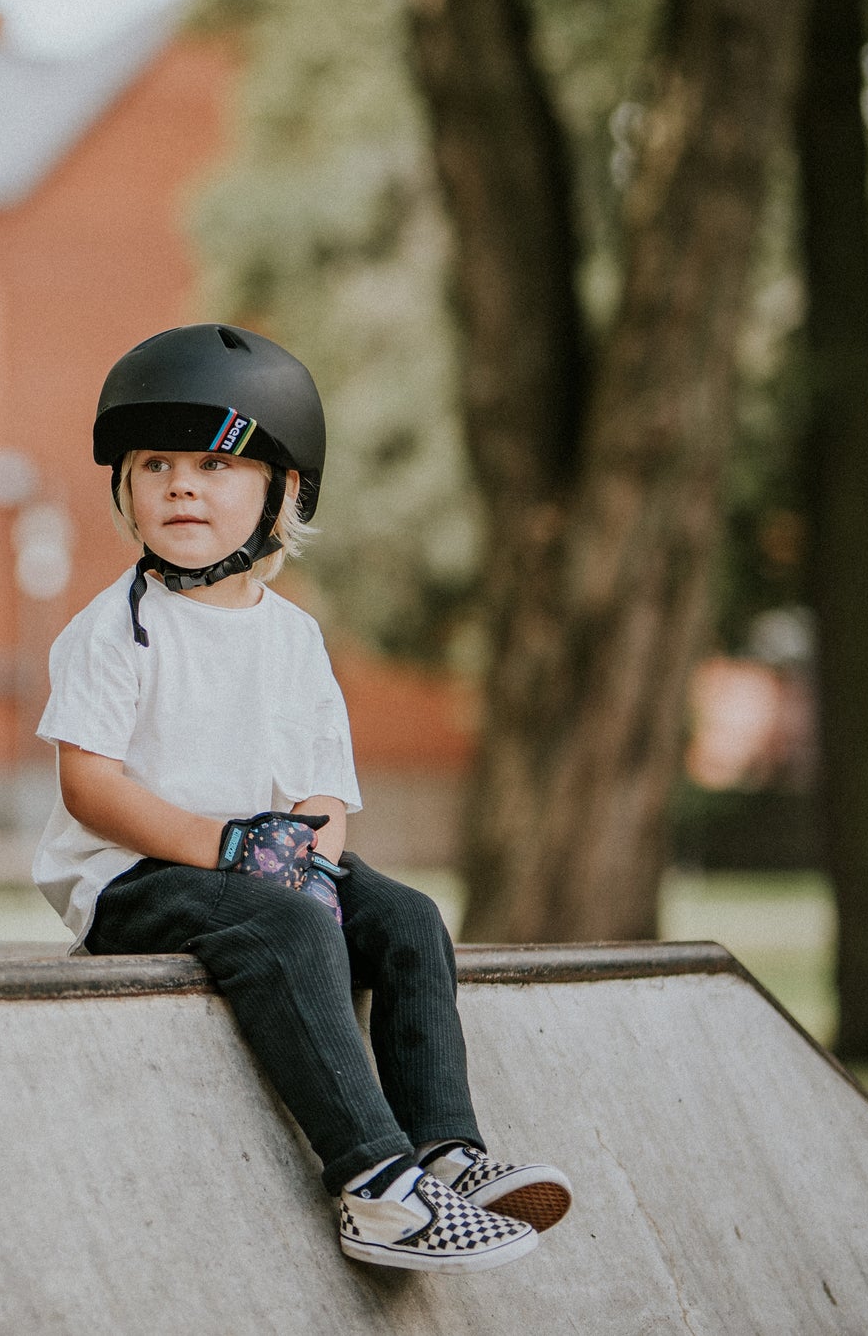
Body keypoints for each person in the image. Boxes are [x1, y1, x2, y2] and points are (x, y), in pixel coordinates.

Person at [33, 324, 572, 1272]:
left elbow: (324, 788)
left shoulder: (293, 639)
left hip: (266, 868)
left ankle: (445, 1148)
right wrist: (231, 851)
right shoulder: (116, 631)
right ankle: (378, 1188)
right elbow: (90, 785)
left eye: (213, 464)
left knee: (406, 917)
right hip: (134, 883)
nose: (181, 485)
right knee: (281, 928)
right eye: (154, 463)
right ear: (126, 487)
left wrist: (313, 861)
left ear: (282, 494)